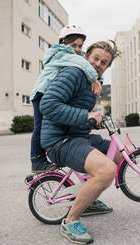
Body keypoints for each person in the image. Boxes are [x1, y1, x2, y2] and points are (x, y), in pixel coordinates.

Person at [40, 40, 121, 245]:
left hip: (78, 137)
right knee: (106, 170)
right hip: (60, 140)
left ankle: (89, 201)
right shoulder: (74, 73)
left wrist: (94, 121)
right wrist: (86, 116)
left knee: (119, 152)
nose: (98, 64)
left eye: (104, 62)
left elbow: (78, 115)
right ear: (86, 57)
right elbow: (48, 105)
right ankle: (70, 221)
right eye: (95, 58)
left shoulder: (91, 82)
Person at [29, 25, 102, 173]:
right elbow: (83, 64)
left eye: (80, 45)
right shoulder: (60, 53)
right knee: (39, 127)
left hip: (47, 91)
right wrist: (95, 79)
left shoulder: (72, 57)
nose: (77, 48)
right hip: (41, 94)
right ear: (63, 43)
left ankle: (41, 158)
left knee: (42, 126)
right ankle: (36, 160)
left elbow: (82, 65)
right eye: (73, 45)